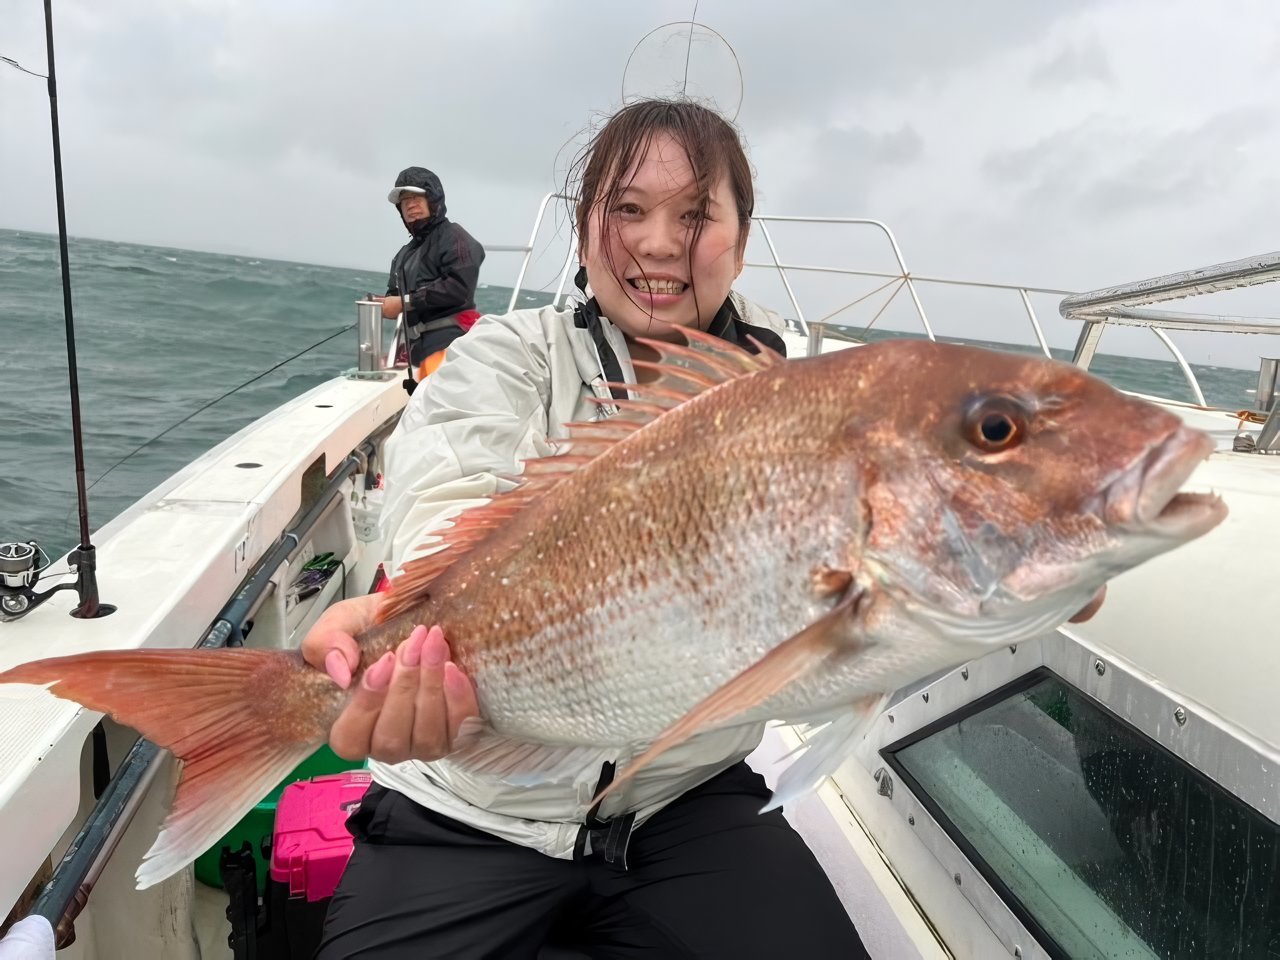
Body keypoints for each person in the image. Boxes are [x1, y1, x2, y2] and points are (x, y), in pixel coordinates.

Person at [304, 99, 1106, 959]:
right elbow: (446, 515)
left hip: (682, 799)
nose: (659, 244)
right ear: (582, 232)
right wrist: (409, 643)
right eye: (628, 210)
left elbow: (878, 600)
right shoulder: (503, 357)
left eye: (695, 214)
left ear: (741, 234)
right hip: (466, 805)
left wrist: (1037, 559)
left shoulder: (809, 402)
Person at [382, 166, 486, 382]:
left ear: (433, 199)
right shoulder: (403, 254)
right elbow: (394, 294)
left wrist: (404, 303)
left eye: (417, 197)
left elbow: (458, 289)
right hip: (413, 348)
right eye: (404, 200)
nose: (410, 204)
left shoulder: (456, 238)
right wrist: (381, 304)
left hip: (451, 343)